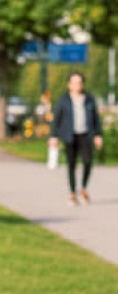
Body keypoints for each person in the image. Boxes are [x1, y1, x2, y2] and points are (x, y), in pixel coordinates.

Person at [49, 72, 103, 205]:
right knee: (71, 164)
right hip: (70, 136)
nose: (76, 85)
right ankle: (73, 193)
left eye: (79, 82)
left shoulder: (89, 99)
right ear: (69, 85)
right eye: (74, 82)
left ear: (82, 84)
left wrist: (98, 135)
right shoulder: (63, 100)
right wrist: (53, 136)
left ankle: (83, 188)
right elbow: (56, 119)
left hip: (86, 134)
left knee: (88, 161)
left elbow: (96, 119)